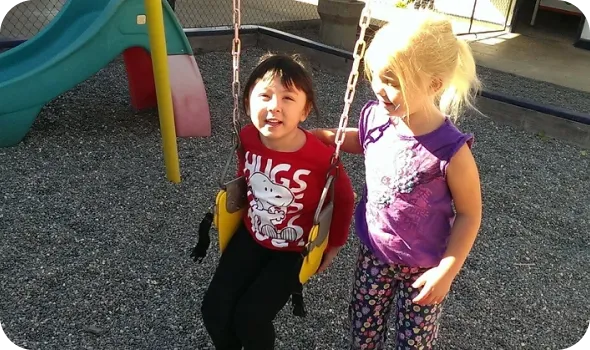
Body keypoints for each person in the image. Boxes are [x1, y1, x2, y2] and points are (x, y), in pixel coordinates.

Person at [311, 11, 483, 349]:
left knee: (413, 341)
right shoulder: (378, 115)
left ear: (434, 85)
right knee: (363, 326)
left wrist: (446, 272)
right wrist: (328, 137)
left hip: (424, 266)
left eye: (394, 81)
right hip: (375, 250)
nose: (380, 89)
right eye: (376, 75)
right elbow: (366, 140)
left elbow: (469, 213)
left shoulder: (451, 151)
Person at [200, 53, 355, 350]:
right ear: (247, 103)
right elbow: (245, 174)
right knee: (214, 310)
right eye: (265, 96)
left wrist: (334, 244)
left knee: (250, 317)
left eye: (287, 98)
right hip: (252, 235)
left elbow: (345, 198)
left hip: (294, 249)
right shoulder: (247, 137)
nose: (274, 106)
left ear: (305, 110)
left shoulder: (320, 157)